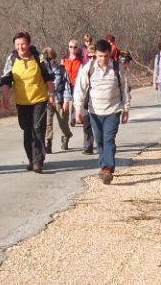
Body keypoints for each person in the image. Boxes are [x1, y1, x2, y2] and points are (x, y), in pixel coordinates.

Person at [74, 39, 131, 184]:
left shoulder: (117, 68)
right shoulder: (88, 68)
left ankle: (108, 168)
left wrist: (126, 109)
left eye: (105, 56)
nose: (103, 59)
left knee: (109, 139)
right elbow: (80, 89)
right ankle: (103, 166)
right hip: (94, 111)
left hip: (113, 110)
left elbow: (125, 89)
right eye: (100, 56)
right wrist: (78, 108)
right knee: (99, 141)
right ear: (95, 55)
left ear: (110, 54)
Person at [0, 32, 55, 173]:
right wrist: (5, 98)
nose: (20, 47)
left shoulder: (39, 58)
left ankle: (38, 161)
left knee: (37, 128)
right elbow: (6, 80)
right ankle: (31, 159)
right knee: (27, 130)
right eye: (17, 44)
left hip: (39, 99)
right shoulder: (12, 59)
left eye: (23, 44)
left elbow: (48, 77)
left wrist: (52, 93)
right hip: (22, 101)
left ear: (29, 44)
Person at [42, 46, 73, 152]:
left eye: (50, 59)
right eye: (47, 59)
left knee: (63, 123)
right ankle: (48, 142)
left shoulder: (61, 69)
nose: (49, 61)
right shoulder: (42, 71)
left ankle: (66, 137)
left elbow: (68, 85)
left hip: (60, 100)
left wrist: (66, 100)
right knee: (47, 123)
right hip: (47, 101)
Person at [63, 39, 85, 127]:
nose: (72, 49)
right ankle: (68, 118)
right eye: (71, 47)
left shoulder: (80, 61)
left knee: (76, 100)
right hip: (67, 84)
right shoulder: (65, 60)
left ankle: (73, 118)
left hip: (77, 84)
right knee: (67, 101)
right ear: (68, 48)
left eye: (75, 47)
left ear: (77, 48)